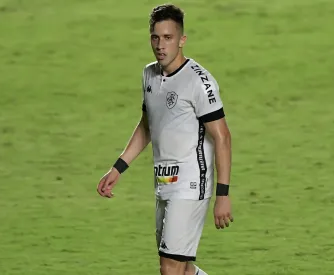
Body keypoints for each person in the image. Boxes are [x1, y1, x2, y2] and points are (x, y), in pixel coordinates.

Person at [97, 3, 233, 275]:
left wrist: (223, 195)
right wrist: (118, 167)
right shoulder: (149, 74)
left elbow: (222, 137)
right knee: (181, 268)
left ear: (182, 40)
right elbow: (148, 126)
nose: (161, 45)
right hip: (163, 182)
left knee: (169, 268)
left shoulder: (198, 81)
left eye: (168, 38)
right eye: (155, 37)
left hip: (192, 184)